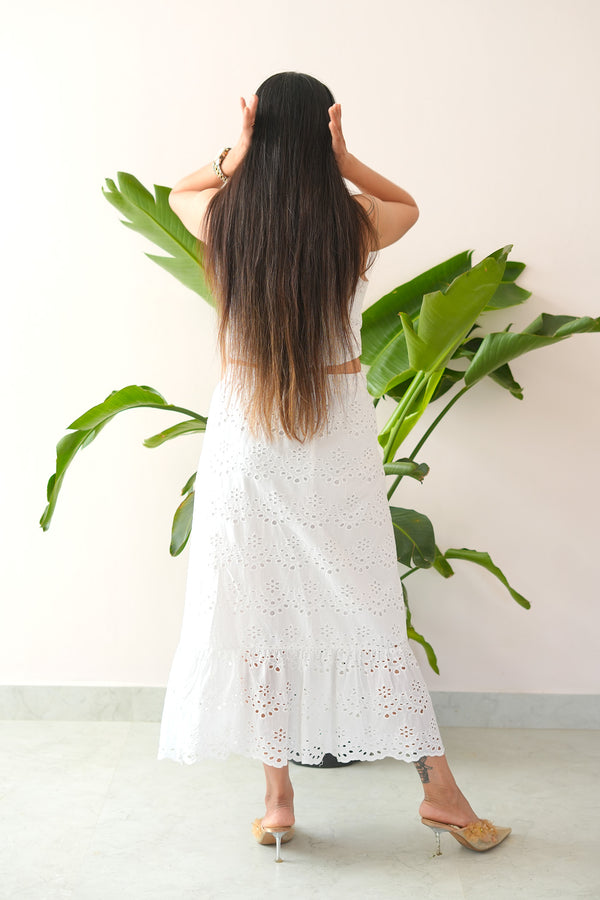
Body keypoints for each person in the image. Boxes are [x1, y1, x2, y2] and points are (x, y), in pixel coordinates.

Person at [157, 71, 510, 862]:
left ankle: (278, 800)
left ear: (256, 128)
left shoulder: (224, 215)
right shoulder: (350, 223)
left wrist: (235, 152)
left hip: (246, 437)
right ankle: (441, 794)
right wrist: (345, 159)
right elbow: (409, 207)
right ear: (323, 130)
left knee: (260, 615)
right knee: (370, 612)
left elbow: (179, 189)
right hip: (334, 439)